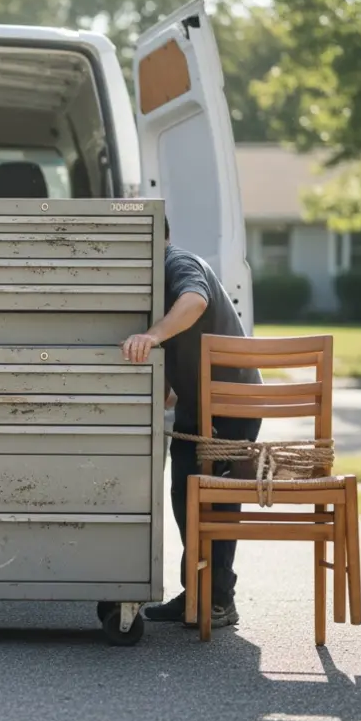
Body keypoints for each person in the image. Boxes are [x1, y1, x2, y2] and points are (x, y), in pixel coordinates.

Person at [120, 217, 262, 629]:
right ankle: (197, 592)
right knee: (185, 493)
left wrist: (152, 335)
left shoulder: (177, 262)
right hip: (197, 407)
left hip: (230, 405)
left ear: (158, 236)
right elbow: (181, 345)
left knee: (215, 500)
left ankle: (219, 599)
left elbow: (195, 302)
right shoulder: (151, 278)